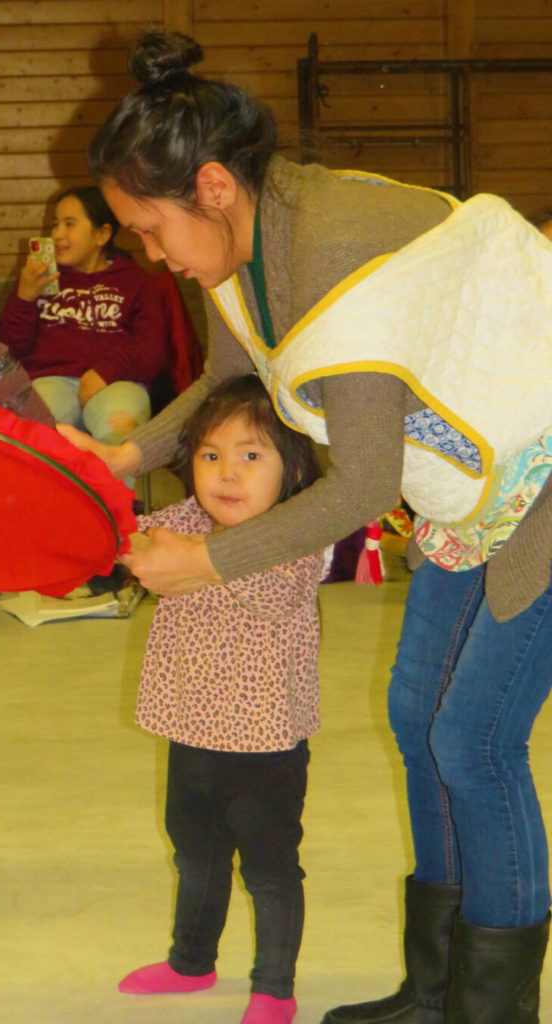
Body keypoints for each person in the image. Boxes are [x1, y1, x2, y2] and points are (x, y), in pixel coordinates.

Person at [59, 30, 552, 1024]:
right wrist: (126, 455)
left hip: (536, 476)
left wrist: (205, 559)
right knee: (419, 715)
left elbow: (361, 485)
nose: (146, 253)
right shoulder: (254, 235)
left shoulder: (327, 249)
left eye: (146, 228)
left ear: (209, 187)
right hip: (480, 480)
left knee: (473, 742)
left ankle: (492, 1011)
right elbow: (228, 377)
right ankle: (435, 987)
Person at [119, 374, 324, 1024]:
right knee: (194, 848)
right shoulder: (185, 519)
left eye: (250, 455)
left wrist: (198, 555)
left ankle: (274, 988)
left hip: (265, 743)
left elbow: (272, 594)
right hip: (193, 728)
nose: (226, 473)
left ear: (293, 471)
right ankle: (190, 962)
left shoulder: (297, 537)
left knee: (268, 866)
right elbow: (133, 540)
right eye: (211, 455)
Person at [0, 185, 168, 446]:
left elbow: (153, 349)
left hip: (118, 381)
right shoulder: (40, 278)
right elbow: (10, 350)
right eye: (55, 225)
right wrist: (24, 298)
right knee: (33, 433)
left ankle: (110, 489)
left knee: (120, 433)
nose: (57, 234)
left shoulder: (135, 282)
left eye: (69, 224)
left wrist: (106, 371)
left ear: (102, 234)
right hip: (51, 379)